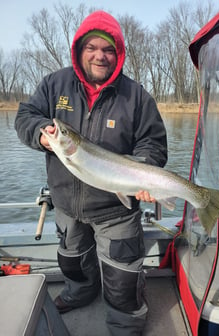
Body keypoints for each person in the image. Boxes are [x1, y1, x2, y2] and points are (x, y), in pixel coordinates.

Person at [15, 10, 167, 336]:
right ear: (80, 49)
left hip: (117, 210)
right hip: (67, 205)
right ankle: (80, 292)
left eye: (108, 49)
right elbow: (26, 115)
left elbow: (153, 145)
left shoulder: (136, 96)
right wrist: (43, 133)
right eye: (92, 47)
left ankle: (126, 324)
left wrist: (143, 172)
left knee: (123, 280)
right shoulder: (55, 84)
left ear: (118, 54)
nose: (100, 55)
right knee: (73, 261)